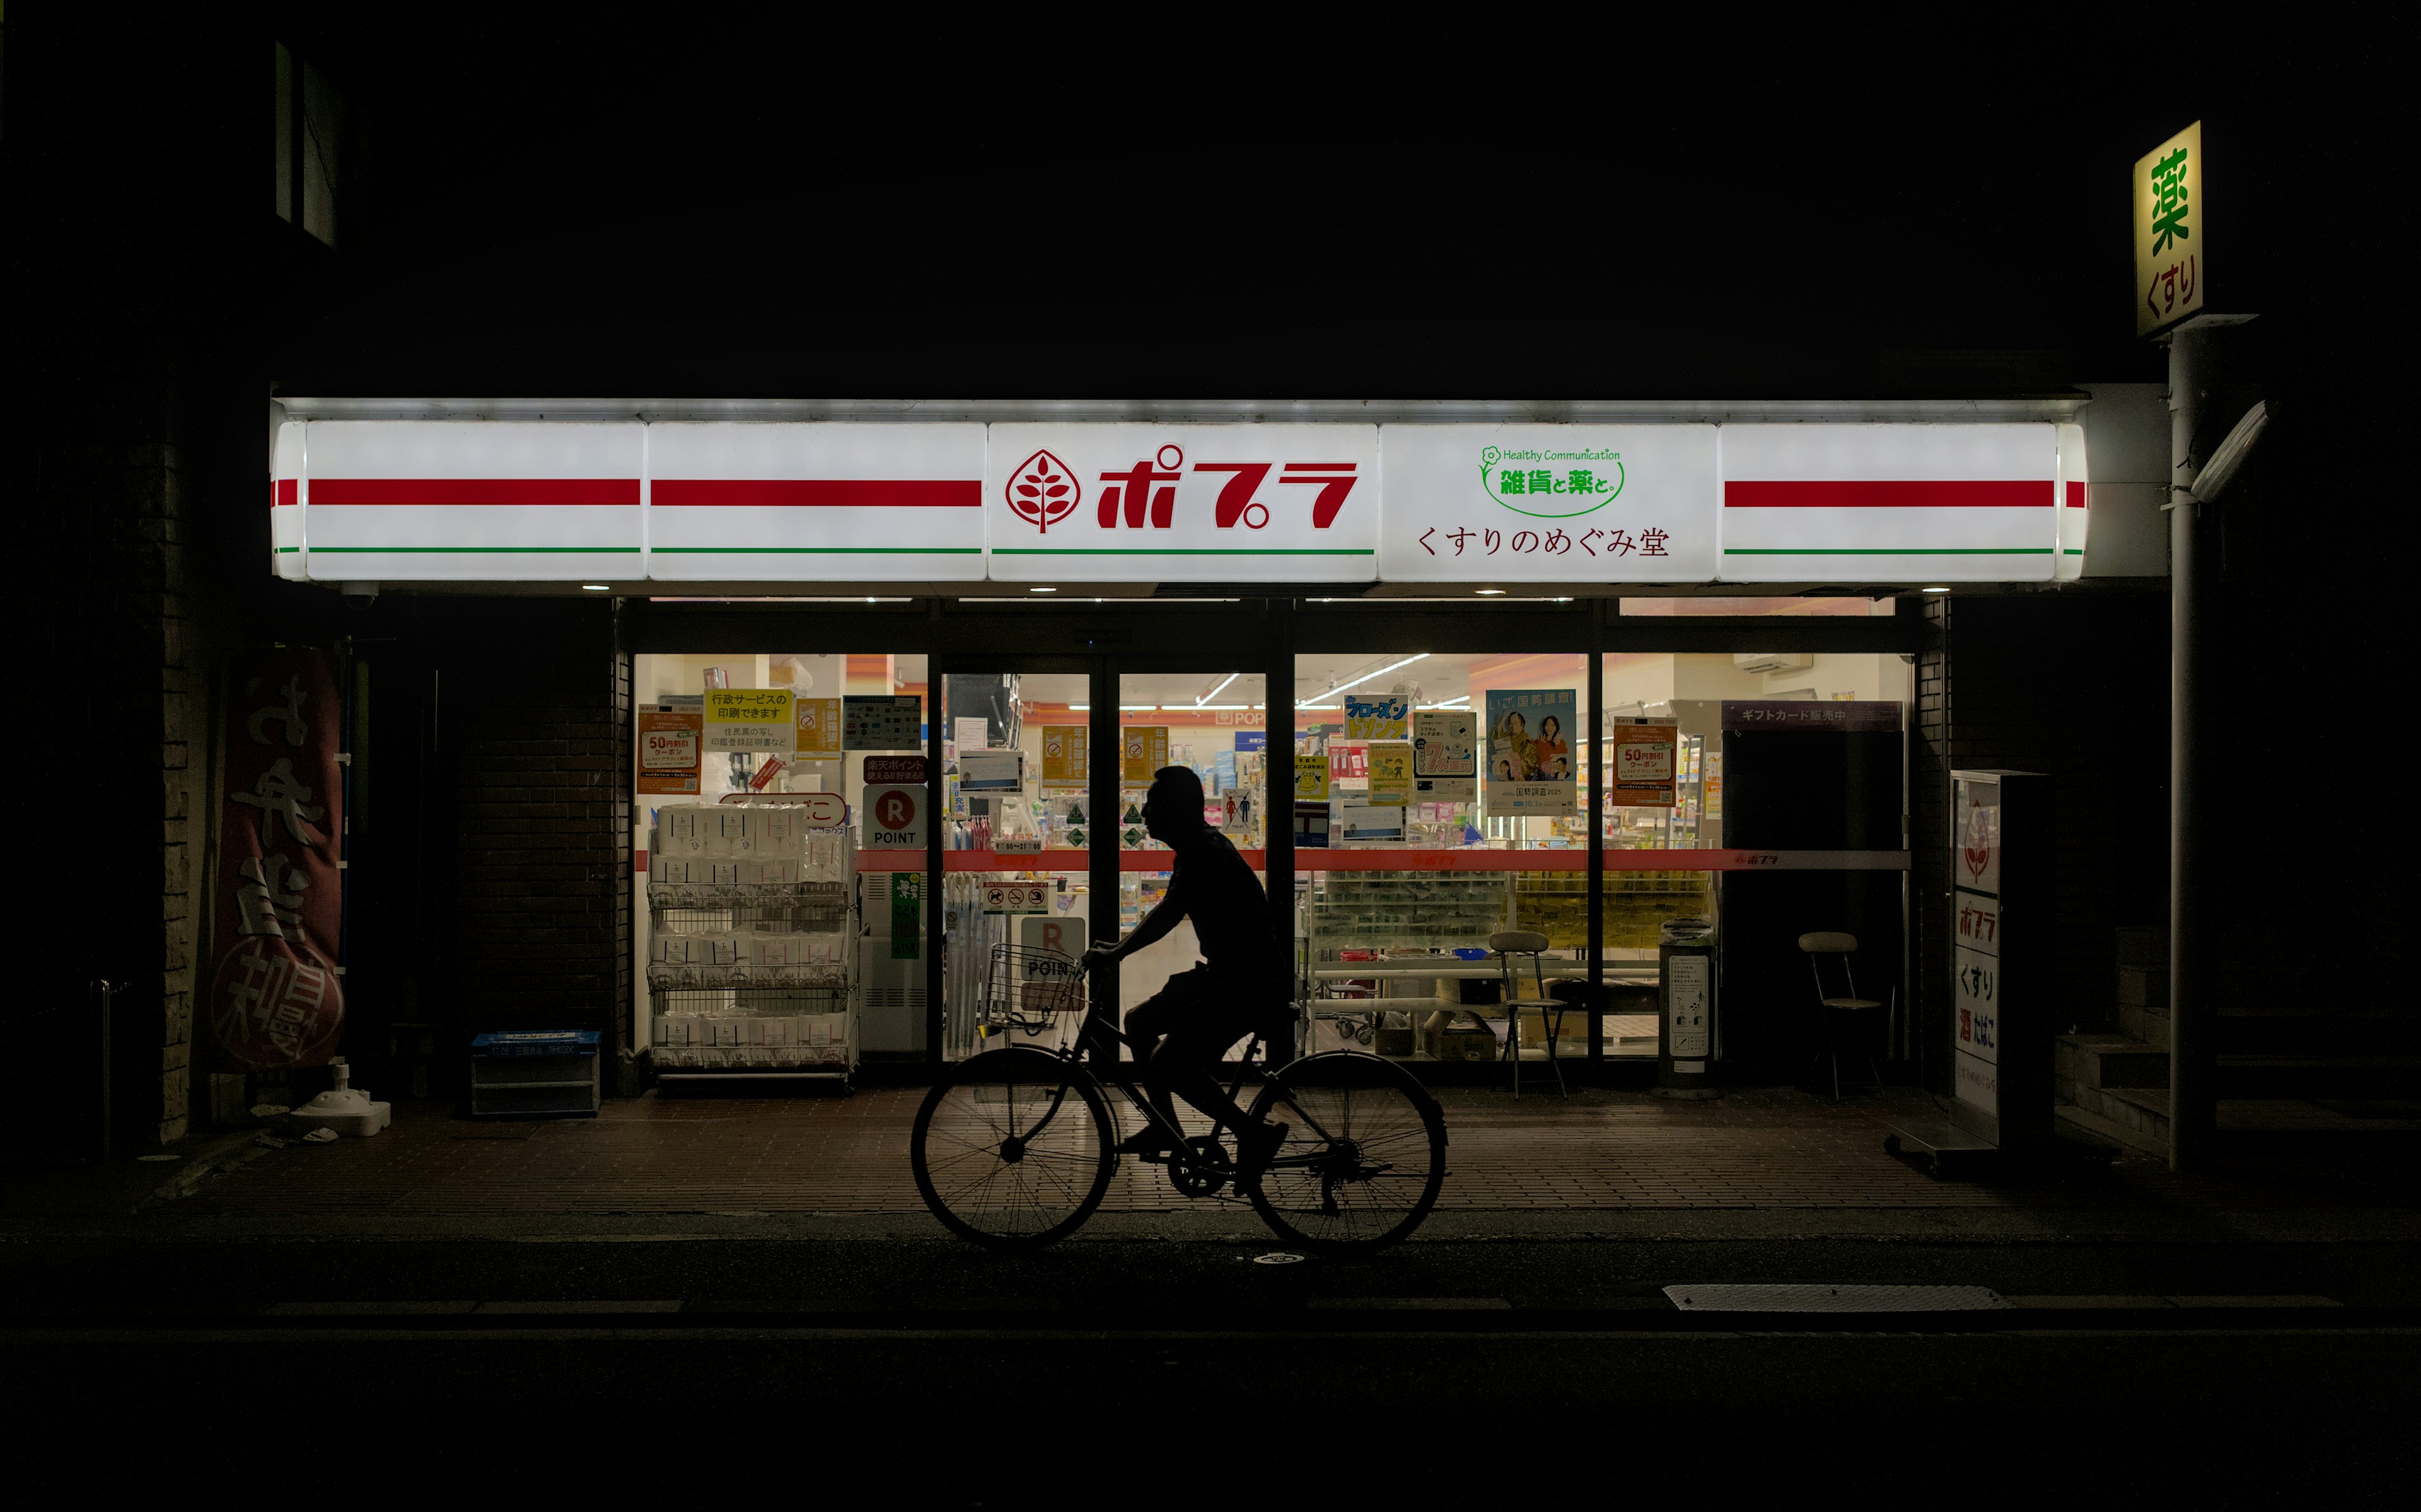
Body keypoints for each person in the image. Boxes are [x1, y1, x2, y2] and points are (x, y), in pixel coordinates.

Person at [1079, 766, 1289, 1175]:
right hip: (1230, 975)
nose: (1144, 812)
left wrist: (1118, 952)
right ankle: (1163, 1126)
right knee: (1139, 1022)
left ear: (1177, 809)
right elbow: (1170, 909)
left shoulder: (1203, 851)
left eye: (1153, 804)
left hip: (1248, 983)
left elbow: (1169, 914)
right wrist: (1118, 948)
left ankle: (1253, 1134)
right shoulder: (1198, 847)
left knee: (1168, 1061)